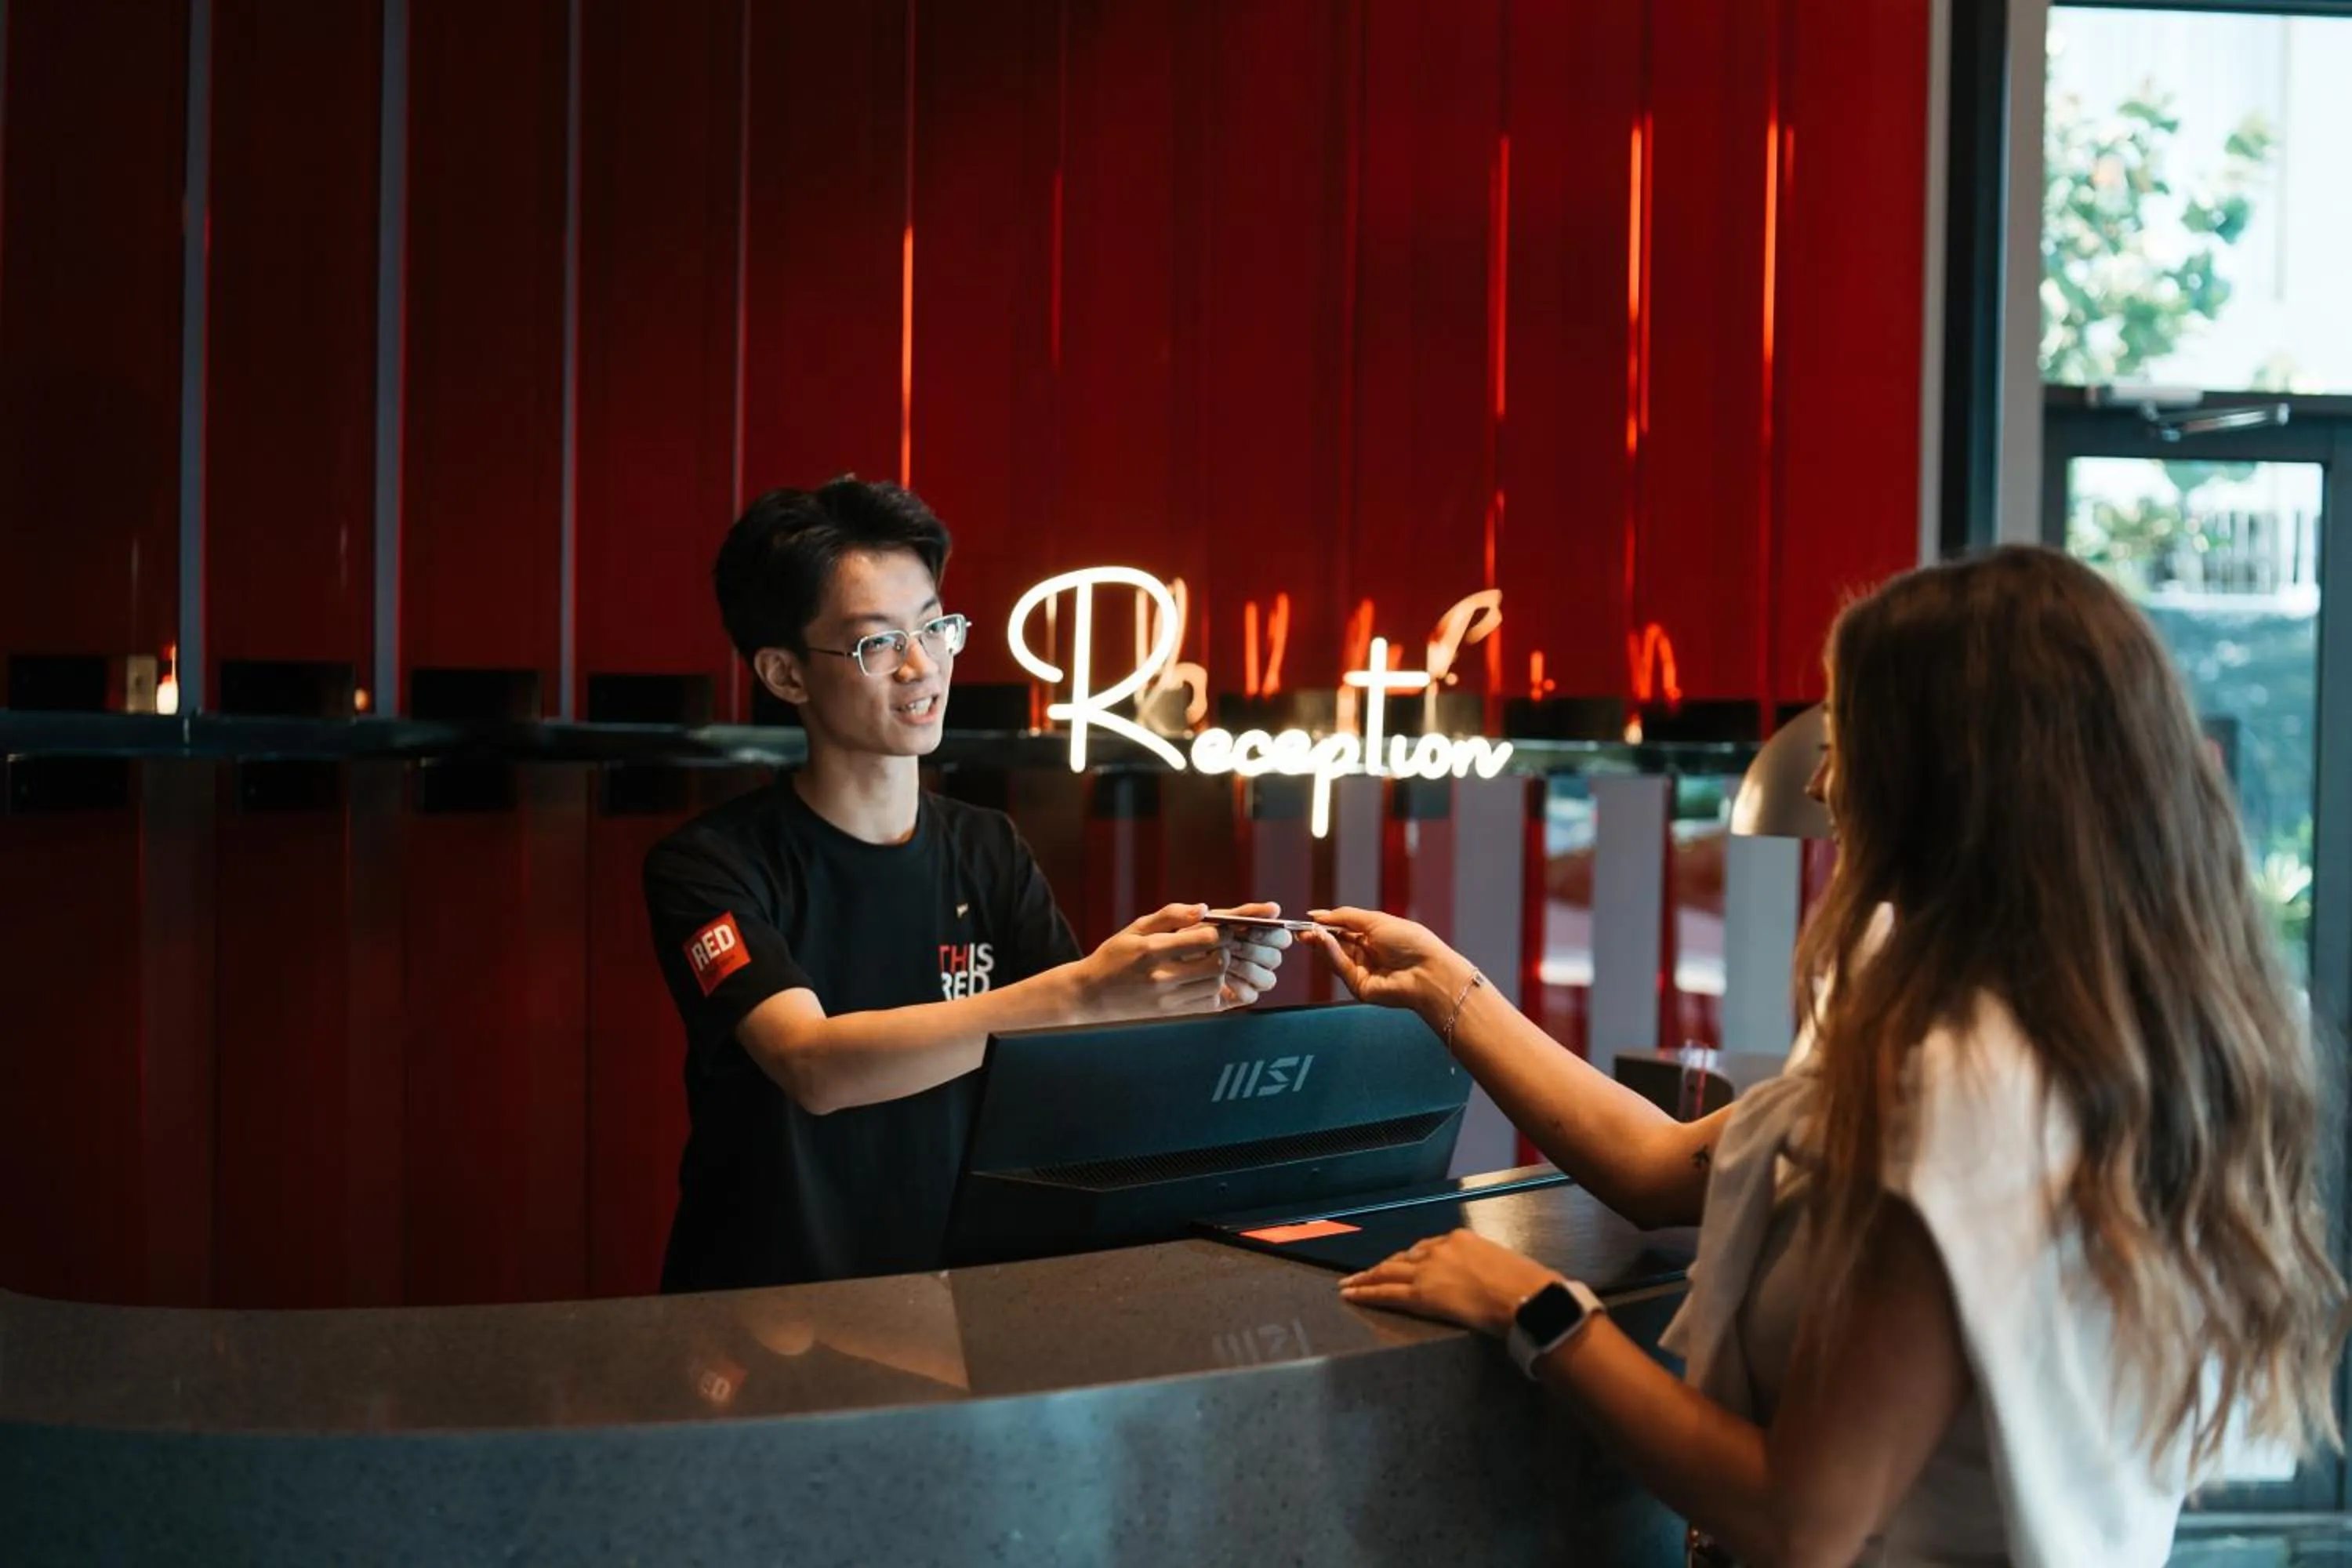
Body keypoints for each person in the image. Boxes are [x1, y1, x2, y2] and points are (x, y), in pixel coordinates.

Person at [1308, 546, 2345, 1566]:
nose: (1826, 781)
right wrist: (1447, 988)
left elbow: (1803, 1521)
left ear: (1943, 783)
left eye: (1848, 740)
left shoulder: (1960, 1095)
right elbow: (1664, 1170)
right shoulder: (2090, 1037)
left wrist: (1533, 1310)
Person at [645, 478, 1290, 1290]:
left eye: (936, 626)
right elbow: (813, 1065)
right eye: (878, 643)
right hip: (769, 1319)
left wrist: (1177, 985)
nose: (924, 665)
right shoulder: (710, 864)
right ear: (784, 673)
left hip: (959, 1306)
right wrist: (1087, 991)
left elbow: (1067, 1059)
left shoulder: (986, 845)